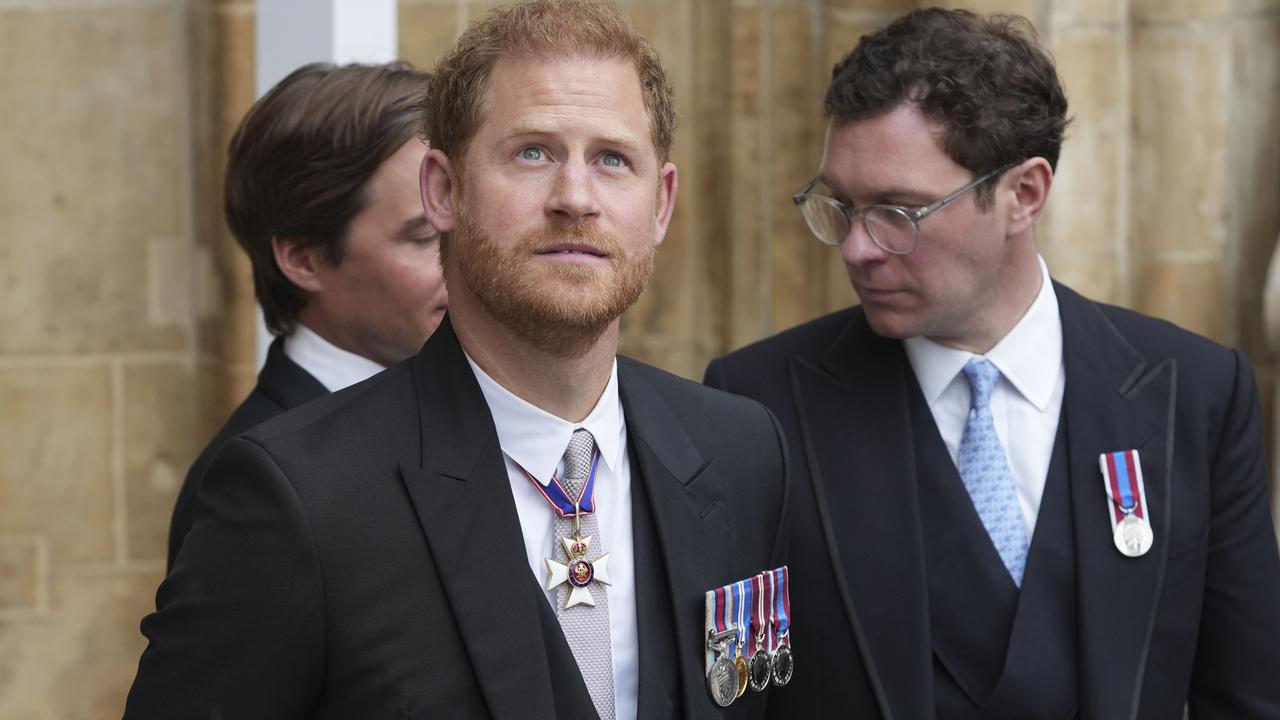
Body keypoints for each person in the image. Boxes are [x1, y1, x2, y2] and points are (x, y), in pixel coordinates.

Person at [126, 2, 787, 718]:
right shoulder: (300, 497)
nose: (575, 198)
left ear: (659, 204)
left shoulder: (740, 452)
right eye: (531, 152)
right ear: (443, 190)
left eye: (612, 159)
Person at [705, 7, 1280, 719]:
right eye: (842, 207)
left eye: (899, 211)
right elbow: (733, 697)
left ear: (1024, 194)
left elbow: (1247, 695)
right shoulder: (754, 408)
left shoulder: (1193, 394)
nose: (856, 247)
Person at [165, 62, 448, 569]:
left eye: (465, 224)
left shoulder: (470, 409)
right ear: (303, 258)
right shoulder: (251, 488)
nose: (469, 265)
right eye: (424, 237)